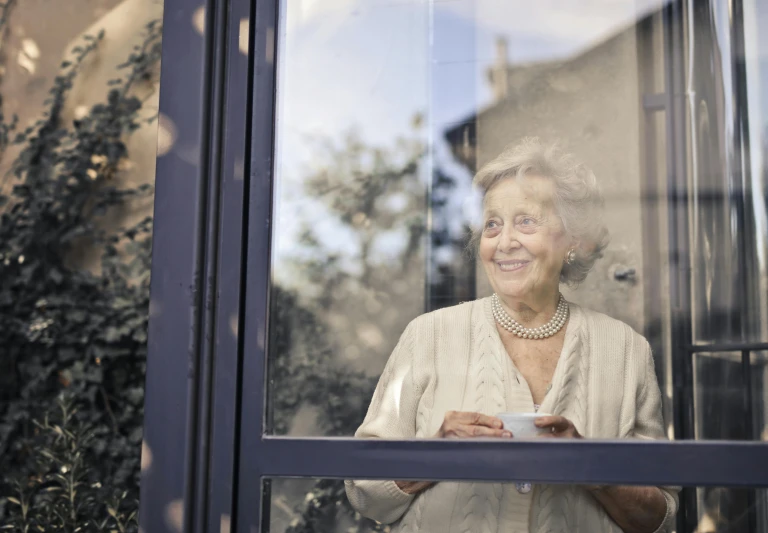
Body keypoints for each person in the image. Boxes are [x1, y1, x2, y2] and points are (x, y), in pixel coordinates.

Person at [345, 138, 678, 533]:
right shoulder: (428, 336)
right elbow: (364, 488)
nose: (504, 242)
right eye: (492, 224)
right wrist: (436, 453)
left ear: (572, 240)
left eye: (526, 221)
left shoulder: (626, 352)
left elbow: (660, 517)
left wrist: (590, 466)